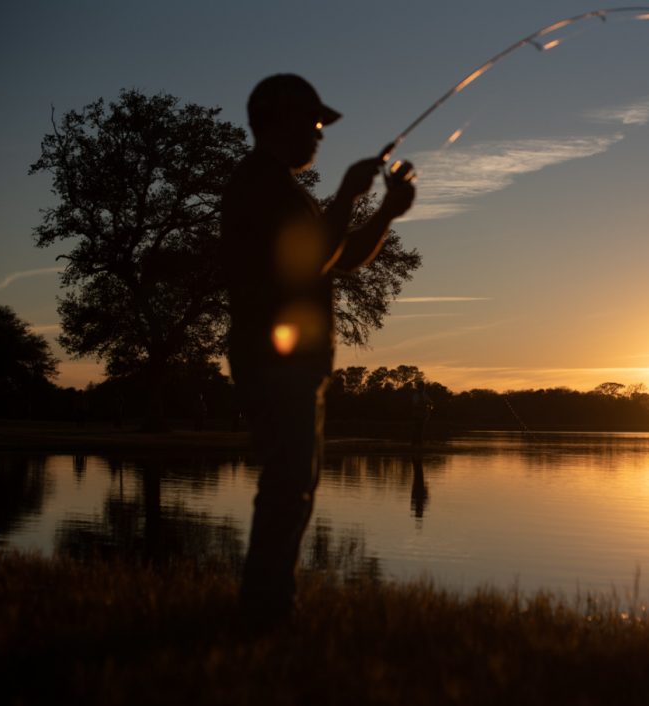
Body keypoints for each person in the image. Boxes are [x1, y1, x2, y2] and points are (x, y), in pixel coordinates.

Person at [220, 74, 415, 624]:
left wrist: (384, 214)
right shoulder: (259, 185)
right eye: (313, 124)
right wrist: (350, 196)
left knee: (295, 479)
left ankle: (269, 603)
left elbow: (343, 258)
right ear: (276, 124)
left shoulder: (287, 190)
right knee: (288, 479)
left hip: (296, 363)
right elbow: (304, 263)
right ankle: (265, 610)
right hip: (272, 358)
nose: (320, 136)